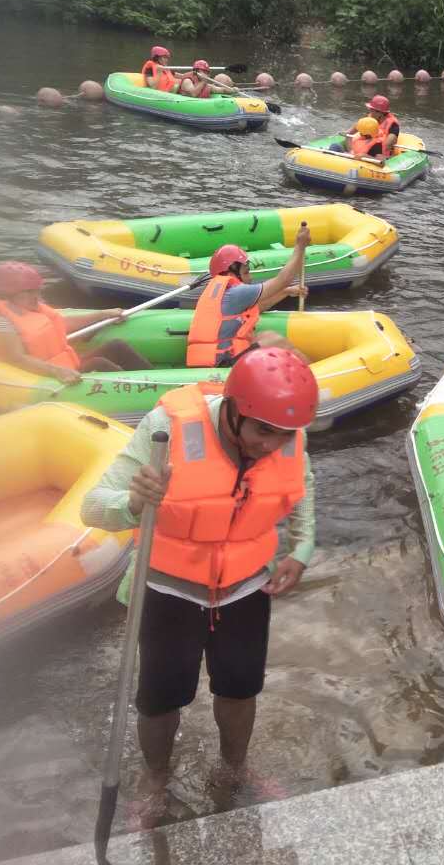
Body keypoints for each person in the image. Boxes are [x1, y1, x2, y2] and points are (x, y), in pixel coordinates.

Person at [82, 347, 317, 796]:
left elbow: (303, 487)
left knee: (240, 689)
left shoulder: (287, 439)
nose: (272, 445)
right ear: (233, 409)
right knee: (160, 699)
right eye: (263, 431)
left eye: (284, 435)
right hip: (171, 591)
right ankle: (154, 777)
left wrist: (301, 548)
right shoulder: (164, 430)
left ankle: (235, 767)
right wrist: (133, 503)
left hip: (246, 589)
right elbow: (92, 506)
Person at [0, 261, 152, 384]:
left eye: (37, 291)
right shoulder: (0, 323)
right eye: (29, 292)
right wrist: (57, 371)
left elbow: (61, 325)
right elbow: (15, 358)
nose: (37, 297)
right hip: (47, 379)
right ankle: (148, 390)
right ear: (9, 293)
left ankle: (153, 379)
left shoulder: (29, 307)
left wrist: (101, 315)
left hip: (67, 366)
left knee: (117, 346)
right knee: (99, 364)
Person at [186, 226, 312, 368]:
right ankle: (314, 375)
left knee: (264, 336)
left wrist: (285, 292)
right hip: (222, 365)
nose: (250, 278)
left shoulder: (221, 292)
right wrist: (300, 246)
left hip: (213, 360)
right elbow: (283, 280)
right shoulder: (236, 293)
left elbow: (257, 307)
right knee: (275, 340)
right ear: (232, 271)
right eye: (246, 272)